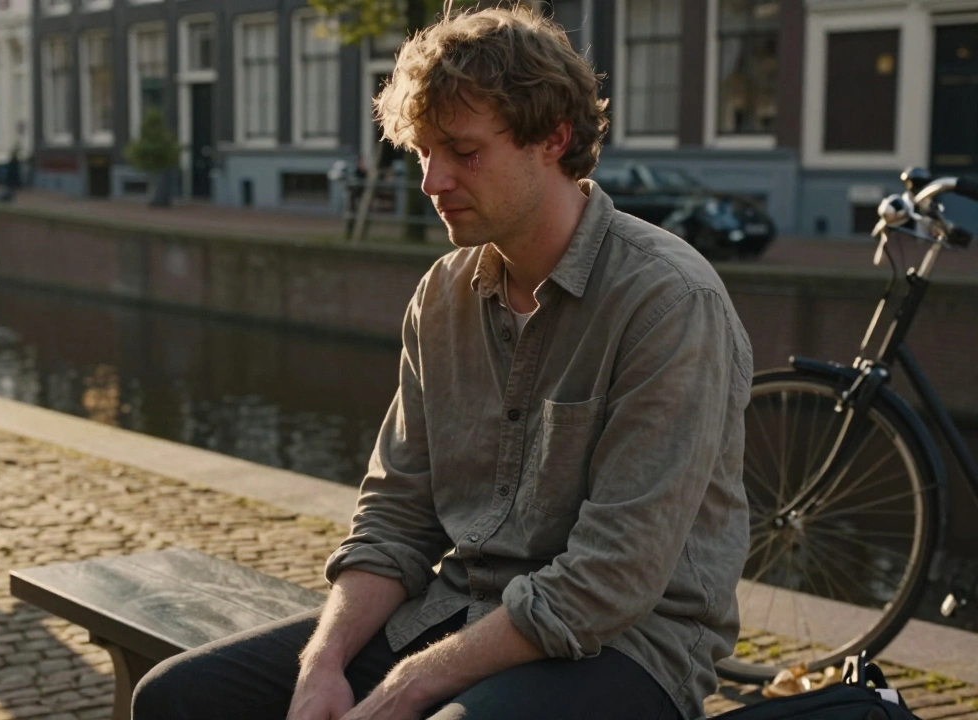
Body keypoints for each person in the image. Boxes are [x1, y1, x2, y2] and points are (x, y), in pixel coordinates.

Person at [132, 6, 752, 720]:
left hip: (628, 648)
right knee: (177, 697)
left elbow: (612, 578)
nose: (431, 181)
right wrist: (322, 664)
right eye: (423, 152)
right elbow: (396, 514)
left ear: (553, 139)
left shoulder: (669, 302)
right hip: (457, 607)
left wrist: (408, 685)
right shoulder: (442, 295)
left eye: (463, 152)